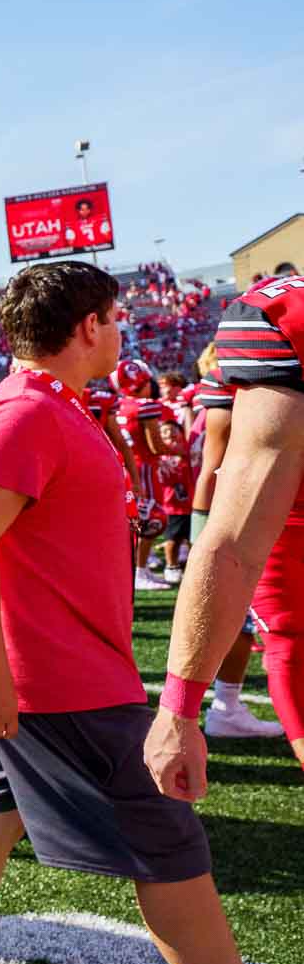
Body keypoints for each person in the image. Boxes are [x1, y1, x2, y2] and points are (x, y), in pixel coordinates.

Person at [0, 261, 304, 964]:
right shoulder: (22, 410)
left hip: (42, 670)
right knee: (168, 843)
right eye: (115, 318)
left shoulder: (42, 407)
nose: (122, 331)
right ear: (88, 325)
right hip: (56, 679)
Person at [165, 273, 304, 767]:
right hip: (280, 523)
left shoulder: (281, 315)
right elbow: (232, 529)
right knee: (282, 635)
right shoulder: (283, 318)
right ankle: (225, 703)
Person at [187, 354, 277, 739]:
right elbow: (215, 461)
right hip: (243, 511)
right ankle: (222, 707)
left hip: (260, 507)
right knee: (240, 616)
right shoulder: (234, 376)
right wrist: (206, 529)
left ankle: (226, 705)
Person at [110, 359, 185, 591]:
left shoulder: (119, 406)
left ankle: (138, 571)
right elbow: (156, 447)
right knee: (151, 522)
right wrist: (180, 449)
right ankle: (139, 572)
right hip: (144, 470)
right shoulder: (144, 407)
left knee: (133, 524)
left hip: (124, 470)